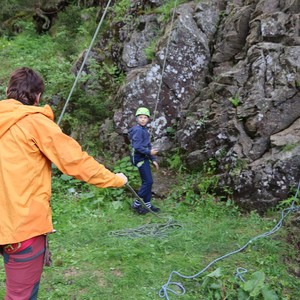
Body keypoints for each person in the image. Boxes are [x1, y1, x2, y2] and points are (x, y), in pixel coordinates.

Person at [0, 67, 128, 299]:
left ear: (9, 91)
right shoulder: (35, 123)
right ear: (37, 95)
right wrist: (115, 180)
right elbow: (75, 161)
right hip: (22, 228)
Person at [128, 107, 160, 214]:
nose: (143, 119)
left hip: (144, 157)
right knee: (148, 181)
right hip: (139, 158)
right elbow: (137, 146)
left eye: (145, 117)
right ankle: (136, 204)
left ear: (148, 119)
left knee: (147, 182)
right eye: (140, 117)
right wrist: (150, 153)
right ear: (137, 118)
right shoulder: (137, 130)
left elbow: (147, 145)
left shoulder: (144, 130)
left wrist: (153, 159)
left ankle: (147, 205)